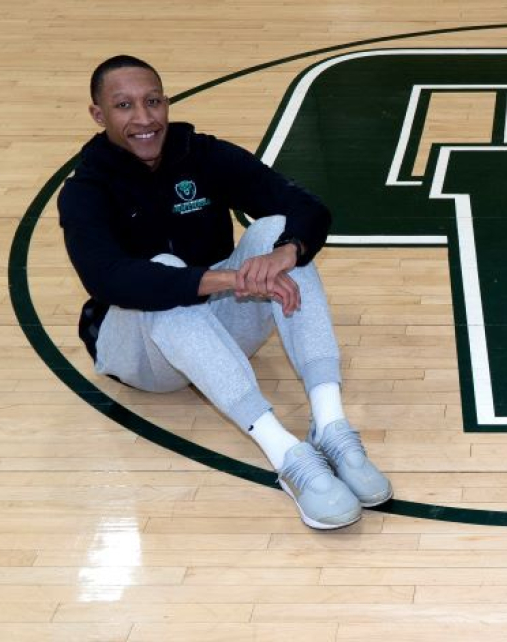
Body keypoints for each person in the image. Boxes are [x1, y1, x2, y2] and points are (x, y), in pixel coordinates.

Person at [57, 55, 390, 530]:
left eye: (153, 102)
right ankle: (287, 455)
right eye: (124, 106)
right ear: (98, 115)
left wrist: (287, 251)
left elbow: (306, 206)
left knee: (275, 229)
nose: (144, 118)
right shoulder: (84, 189)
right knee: (163, 273)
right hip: (139, 351)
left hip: (217, 324)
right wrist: (227, 280)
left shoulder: (204, 155)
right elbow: (110, 279)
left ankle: (331, 425)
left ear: (167, 102)